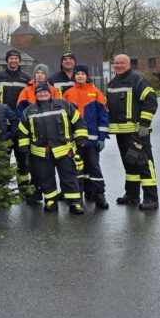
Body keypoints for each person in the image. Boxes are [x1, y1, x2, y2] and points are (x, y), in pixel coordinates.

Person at [16, 82, 88, 214]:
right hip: (40, 153)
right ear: (35, 95)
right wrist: (24, 146)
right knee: (46, 178)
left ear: (49, 93)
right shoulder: (28, 111)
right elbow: (22, 131)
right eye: (39, 92)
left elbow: (79, 121)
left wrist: (81, 137)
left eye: (44, 92)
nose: (42, 94)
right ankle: (51, 201)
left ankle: (75, 203)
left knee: (69, 177)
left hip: (65, 150)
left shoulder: (64, 105)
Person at [107, 54, 159, 210]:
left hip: (137, 132)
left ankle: (151, 198)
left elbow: (150, 101)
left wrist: (144, 124)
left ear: (129, 64)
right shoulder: (112, 83)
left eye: (122, 63)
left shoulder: (138, 80)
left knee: (143, 163)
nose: (119, 65)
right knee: (129, 164)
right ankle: (132, 195)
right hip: (121, 132)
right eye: (116, 63)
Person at [62, 64, 110, 209]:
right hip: (74, 140)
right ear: (74, 76)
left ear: (87, 76)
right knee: (77, 169)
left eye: (83, 73)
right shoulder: (68, 94)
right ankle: (77, 197)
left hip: (92, 140)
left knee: (94, 167)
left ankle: (99, 195)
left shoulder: (96, 93)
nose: (80, 76)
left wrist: (102, 137)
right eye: (77, 74)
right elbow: (64, 117)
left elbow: (103, 116)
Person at [0, 49, 32, 191]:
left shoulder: (26, 78)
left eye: (16, 58)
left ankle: (24, 188)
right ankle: (2, 189)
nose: (13, 60)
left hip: (21, 124)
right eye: (11, 58)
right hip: (2, 125)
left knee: (22, 157)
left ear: (19, 61)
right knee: (3, 158)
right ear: (7, 60)